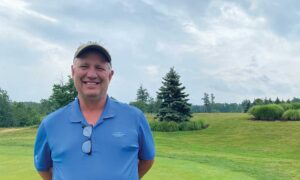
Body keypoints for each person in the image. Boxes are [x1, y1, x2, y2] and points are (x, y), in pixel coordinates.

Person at [34, 42, 155, 180]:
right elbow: (43, 168)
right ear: (73, 72)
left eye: (99, 67)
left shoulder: (135, 118)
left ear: (110, 75)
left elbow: (147, 160)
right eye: (84, 66)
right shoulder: (50, 123)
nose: (91, 74)